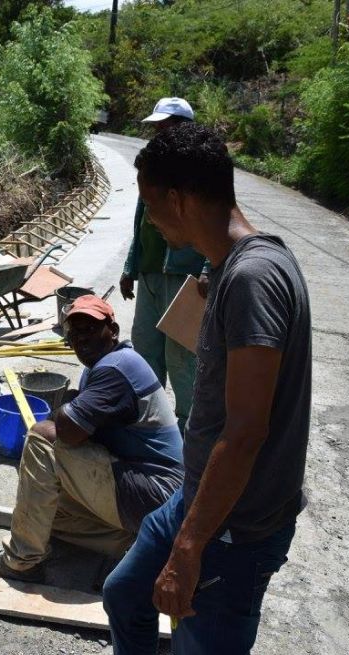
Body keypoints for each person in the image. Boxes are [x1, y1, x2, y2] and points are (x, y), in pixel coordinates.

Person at [103, 123, 311, 655]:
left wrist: (189, 549)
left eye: (150, 206)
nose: (149, 220)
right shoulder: (229, 268)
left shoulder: (253, 278)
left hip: (232, 528)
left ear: (178, 199)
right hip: (199, 497)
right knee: (126, 594)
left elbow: (245, 431)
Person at [0, 295, 183, 581]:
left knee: (42, 438)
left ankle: (21, 561)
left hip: (155, 492)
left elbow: (68, 431)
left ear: (113, 331)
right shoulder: (102, 367)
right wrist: (68, 407)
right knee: (46, 514)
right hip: (157, 499)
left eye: (90, 328)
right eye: (75, 332)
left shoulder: (117, 368)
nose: (81, 337)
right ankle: (136, 546)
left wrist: (62, 410)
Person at [119, 97, 207, 432]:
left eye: (164, 127)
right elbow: (140, 221)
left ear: (183, 128)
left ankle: (188, 425)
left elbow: (218, 226)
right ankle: (150, 417)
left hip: (185, 276)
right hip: (150, 272)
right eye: (156, 128)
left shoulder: (200, 172)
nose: (158, 133)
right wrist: (130, 268)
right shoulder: (153, 169)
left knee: (181, 354)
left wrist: (208, 270)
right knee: (145, 346)